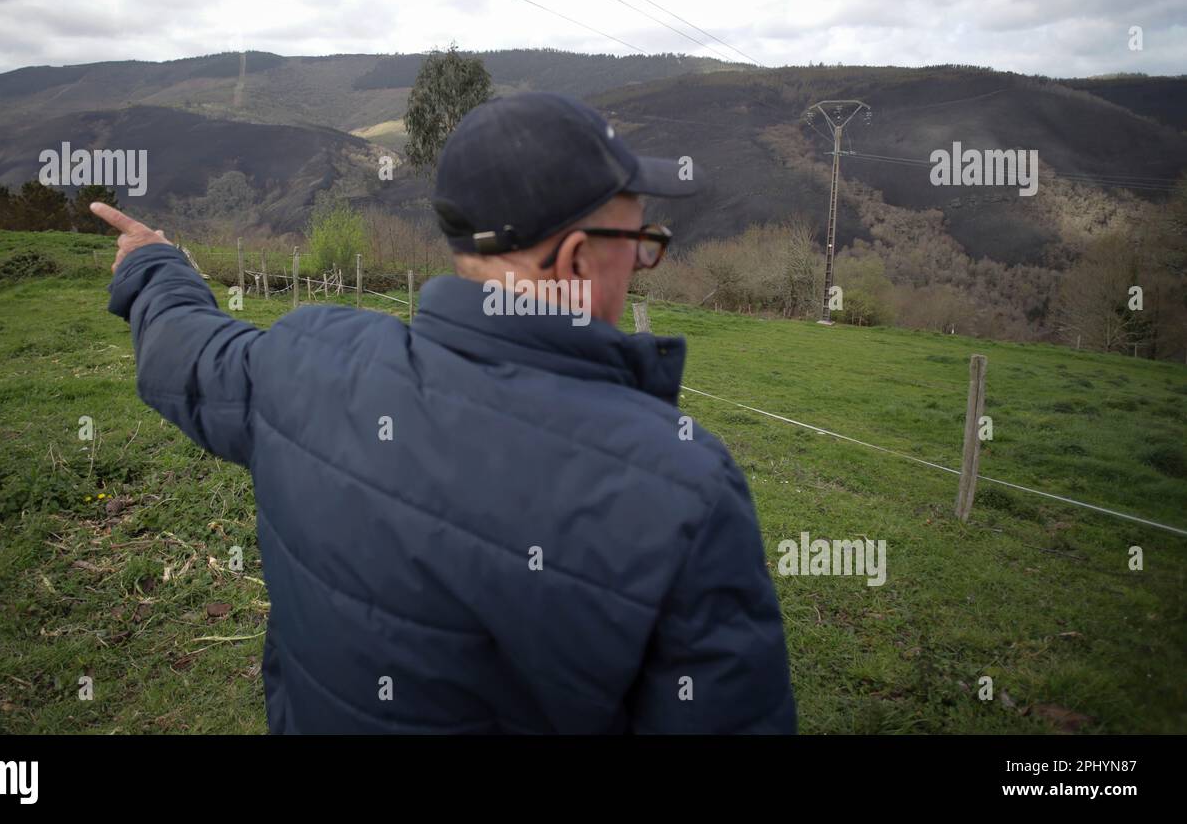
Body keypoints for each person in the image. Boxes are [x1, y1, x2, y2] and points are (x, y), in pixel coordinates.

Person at [93, 92, 795, 733]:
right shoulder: (686, 494)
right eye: (642, 246)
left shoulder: (306, 359)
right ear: (578, 260)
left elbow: (187, 352)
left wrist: (154, 261)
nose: (643, 264)